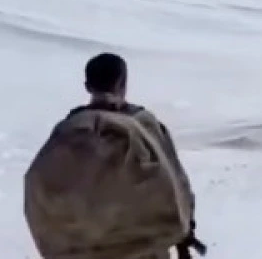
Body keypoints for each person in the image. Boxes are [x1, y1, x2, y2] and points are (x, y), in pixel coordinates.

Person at [23, 53, 203, 259]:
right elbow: (175, 181)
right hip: (143, 248)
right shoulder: (143, 124)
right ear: (123, 82)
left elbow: (41, 185)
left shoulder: (71, 129)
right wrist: (185, 235)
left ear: (87, 85)